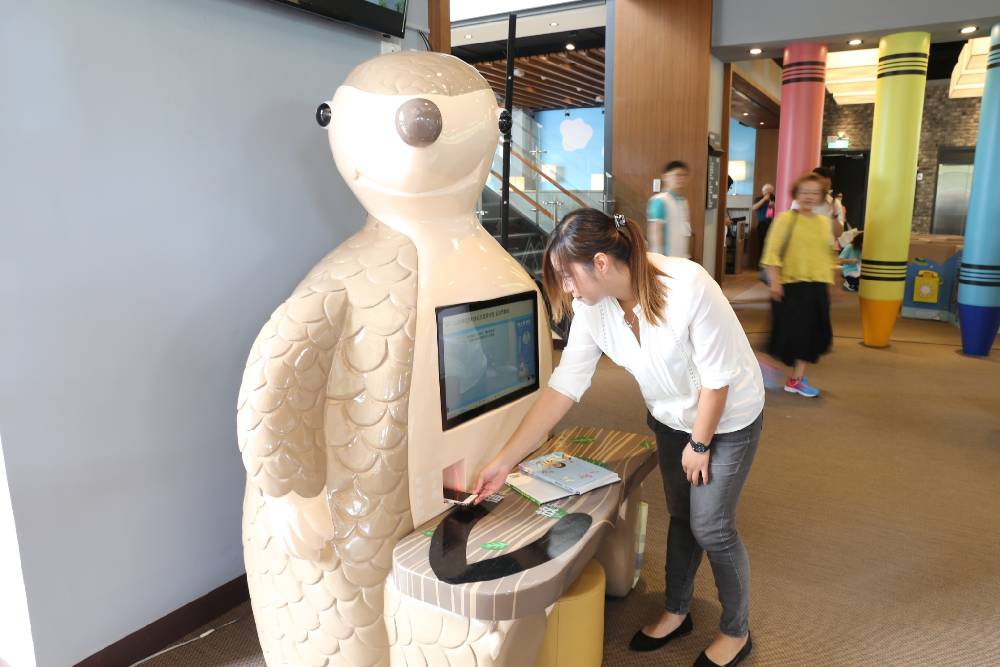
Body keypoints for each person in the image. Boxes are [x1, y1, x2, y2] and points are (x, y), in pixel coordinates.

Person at [472, 208, 764, 667]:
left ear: (602, 264)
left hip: (726, 419)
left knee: (712, 525)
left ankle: (736, 631)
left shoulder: (687, 286)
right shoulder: (595, 310)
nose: (567, 288)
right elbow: (564, 387)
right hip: (670, 417)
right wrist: (505, 461)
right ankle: (677, 609)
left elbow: (718, 380)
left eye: (568, 277)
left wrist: (701, 444)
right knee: (682, 516)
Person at [761, 173, 836, 397]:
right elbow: (771, 252)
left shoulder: (824, 222)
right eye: (805, 192)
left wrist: (833, 283)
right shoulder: (786, 219)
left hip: (817, 286)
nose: (810, 197)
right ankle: (759, 365)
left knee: (812, 335)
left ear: (823, 197)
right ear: (796, 195)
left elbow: (826, 254)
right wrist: (775, 281)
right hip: (790, 285)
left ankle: (796, 380)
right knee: (785, 336)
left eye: (815, 193)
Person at [646, 161, 692, 258]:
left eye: (684, 175)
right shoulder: (659, 201)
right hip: (666, 260)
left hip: (681, 258)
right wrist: (658, 260)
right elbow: (655, 233)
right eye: (677, 175)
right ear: (665, 176)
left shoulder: (683, 201)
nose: (681, 178)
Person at [791, 167, 844, 243]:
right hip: (802, 247)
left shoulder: (835, 203)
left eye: (828, 185)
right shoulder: (799, 201)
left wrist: (834, 216)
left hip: (826, 249)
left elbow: (838, 234)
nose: (826, 189)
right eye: (823, 185)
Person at [750, 184, 775, 259]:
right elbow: (754, 208)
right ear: (763, 191)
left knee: (771, 245)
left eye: (769, 191)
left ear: (772, 191)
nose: (768, 192)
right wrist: (764, 199)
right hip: (762, 225)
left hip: (773, 224)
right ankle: (760, 265)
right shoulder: (758, 198)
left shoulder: (774, 198)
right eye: (766, 191)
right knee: (761, 245)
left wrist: (773, 205)